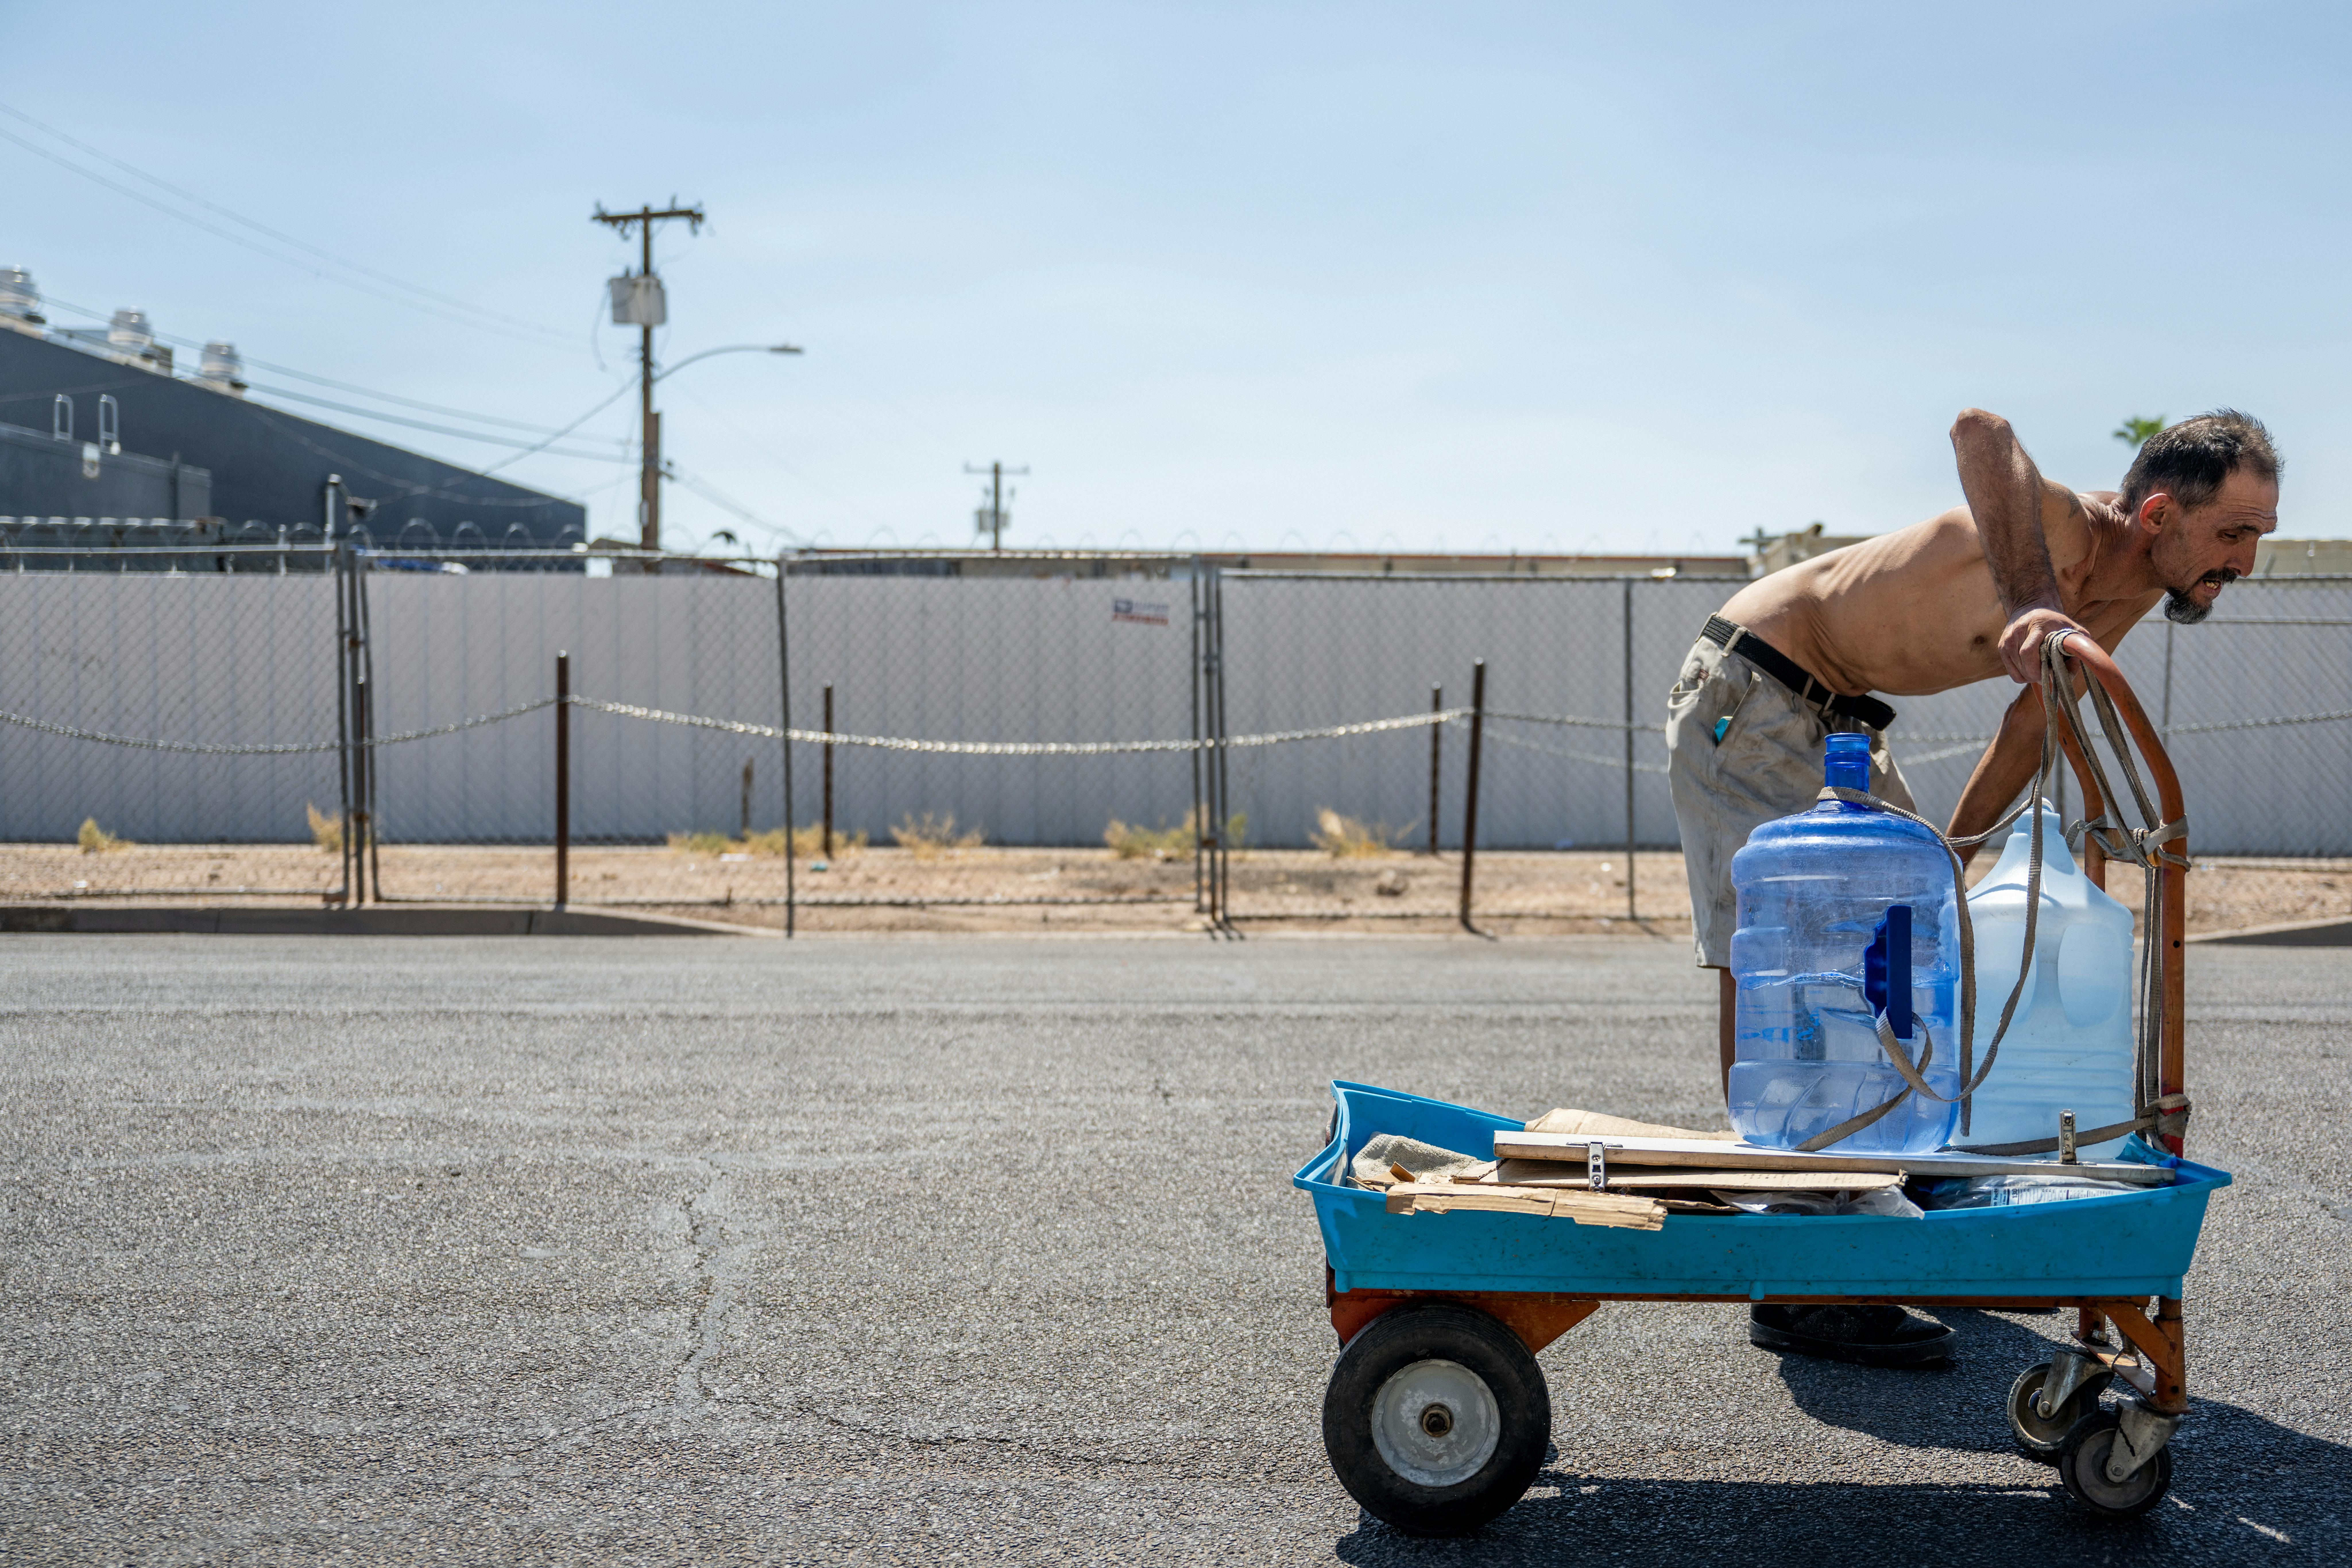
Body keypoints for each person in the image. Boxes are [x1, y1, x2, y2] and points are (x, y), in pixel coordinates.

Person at [1667, 408, 2281, 1366]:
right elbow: (1977, 429)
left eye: (2259, 539)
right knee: (1796, 950)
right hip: (1755, 686)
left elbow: (2030, 729)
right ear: (2158, 513)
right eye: (2234, 535)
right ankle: (1799, 1271)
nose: (2245, 563)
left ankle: (1869, 1201)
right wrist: (2036, 595)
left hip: (1841, 723)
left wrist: (1944, 868)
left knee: (1901, 949)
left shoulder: (2119, 605)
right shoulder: (2060, 531)